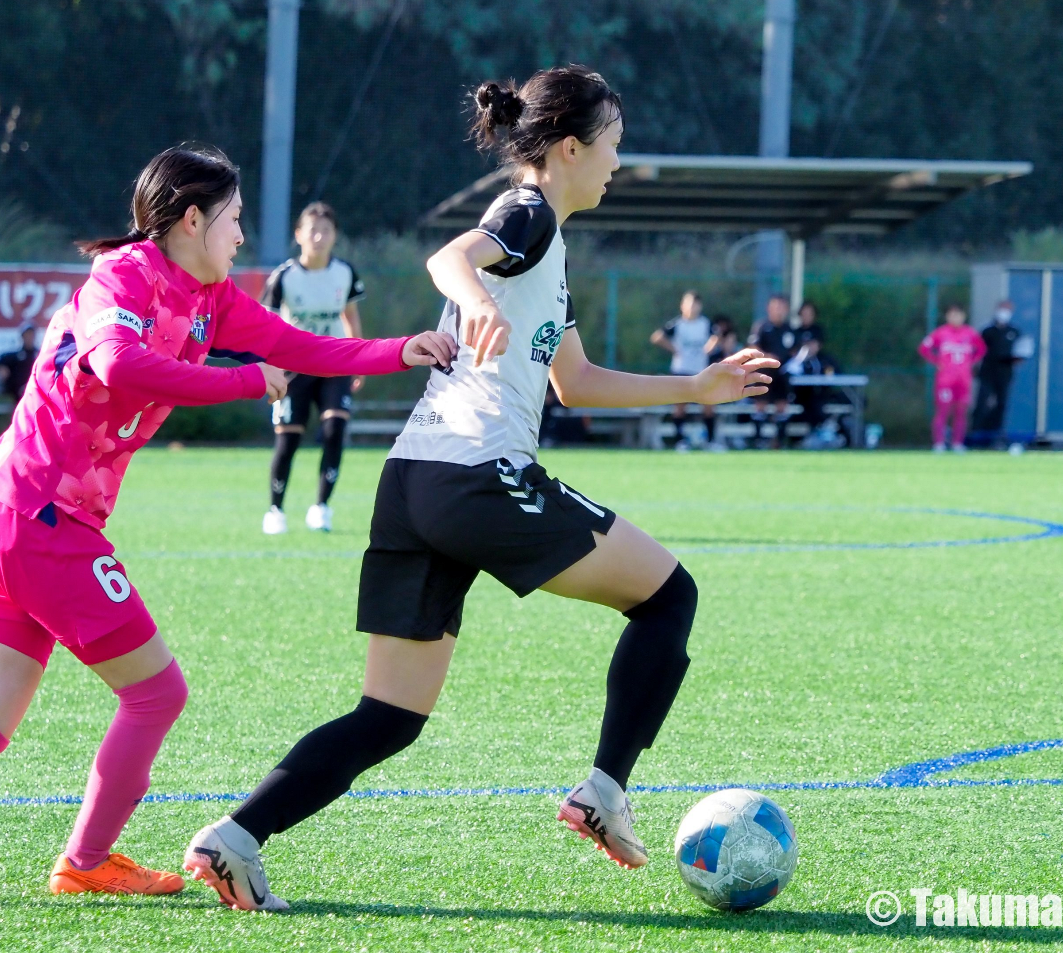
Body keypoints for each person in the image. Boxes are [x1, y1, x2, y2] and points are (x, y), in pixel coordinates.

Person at [183, 66, 777, 912]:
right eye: (613, 145)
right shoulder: (528, 214)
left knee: (389, 715)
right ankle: (604, 791)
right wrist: (470, 296)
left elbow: (575, 381)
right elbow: (450, 256)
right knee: (668, 595)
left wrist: (697, 387)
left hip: (413, 481)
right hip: (477, 476)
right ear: (570, 148)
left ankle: (233, 838)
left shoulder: (549, 246)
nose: (619, 162)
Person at [0, 146, 454, 898]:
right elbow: (115, 363)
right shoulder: (122, 277)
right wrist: (242, 381)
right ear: (190, 219)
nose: (242, 237)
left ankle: (85, 862)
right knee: (157, 693)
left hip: (13, 511)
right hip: (39, 516)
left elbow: (303, 347)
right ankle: (85, 864)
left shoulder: (211, 297)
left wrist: (399, 351)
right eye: (235, 220)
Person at [259, 201, 366, 534]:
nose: (319, 236)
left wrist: (359, 358)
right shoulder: (284, 277)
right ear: (299, 235)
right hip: (294, 367)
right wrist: (269, 368)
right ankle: (275, 511)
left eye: (326, 230)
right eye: (312, 230)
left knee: (335, 430)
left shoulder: (345, 272)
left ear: (335, 236)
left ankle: (322, 507)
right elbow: (266, 327)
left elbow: (350, 315)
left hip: (335, 362)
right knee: (288, 440)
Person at [650, 290, 722, 451]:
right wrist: (674, 349)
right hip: (681, 369)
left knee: (709, 404)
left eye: (695, 304)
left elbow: (716, 336)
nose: (692, 308)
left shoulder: (705, 323)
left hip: (701, 371)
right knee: (680, 406)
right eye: (689, 304)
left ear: (700, 306)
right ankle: (680, 442)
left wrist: (708, 349)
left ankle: (710, 441)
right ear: (682, 306)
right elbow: (657, 336)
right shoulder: (678, 324)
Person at [918, 302, 986, 452]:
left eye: (958, 314)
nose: (955, 318)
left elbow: (981, 349)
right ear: (948, 316)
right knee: (943, 410)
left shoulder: (970, 333)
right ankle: (939, 443)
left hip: (963, 379)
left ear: (963, 316)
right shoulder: (941, 333)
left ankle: (957, 443)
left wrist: (971, 362)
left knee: (961, 411)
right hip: (945, 380)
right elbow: (924, 348)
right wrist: (936, 362)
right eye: (952, 314)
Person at [972, 299, 1022, 446]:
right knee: (982, 403)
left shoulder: (1014, 331)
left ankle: (995, 437)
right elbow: (976, 350)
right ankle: (977, 435)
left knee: (1001, 405)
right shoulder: (987, 330)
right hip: (987, 372)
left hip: (1005, 374)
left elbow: (1021, 351)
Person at [747, 294, 795, 448]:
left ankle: (779, 442)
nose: (779, 310)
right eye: (776, 306)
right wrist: (768, 358)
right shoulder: (762, 327)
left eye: (782, 307)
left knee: (782, 405)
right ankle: (758, 440)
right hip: (765, 372)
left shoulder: (789, 329)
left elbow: (795, 350)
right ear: (769, 308)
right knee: (761, 405)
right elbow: (753, 347)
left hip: (782, 373)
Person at [0, 322, 39, 406]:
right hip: (19, 394)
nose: (29, 337)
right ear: (22, 337)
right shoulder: (15, 356)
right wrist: (1, 367)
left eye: (31, 334)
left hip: (37, 392)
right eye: (27, 335)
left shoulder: (40, 354)